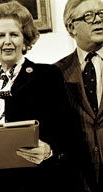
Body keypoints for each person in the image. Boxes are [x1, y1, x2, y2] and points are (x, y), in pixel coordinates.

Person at [0, 1, 83, 191]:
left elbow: (68, 128)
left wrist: (49, 149)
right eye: (0, 35)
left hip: (36, 180)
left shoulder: (47, 75)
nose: (7, 41)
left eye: (14, 34)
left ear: (25, 39)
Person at [55, 0, 103, 191]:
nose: (98, 20)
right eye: (89, 16)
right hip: (78, 178)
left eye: (101, 14)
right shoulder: (56, 73)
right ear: (71, 27)